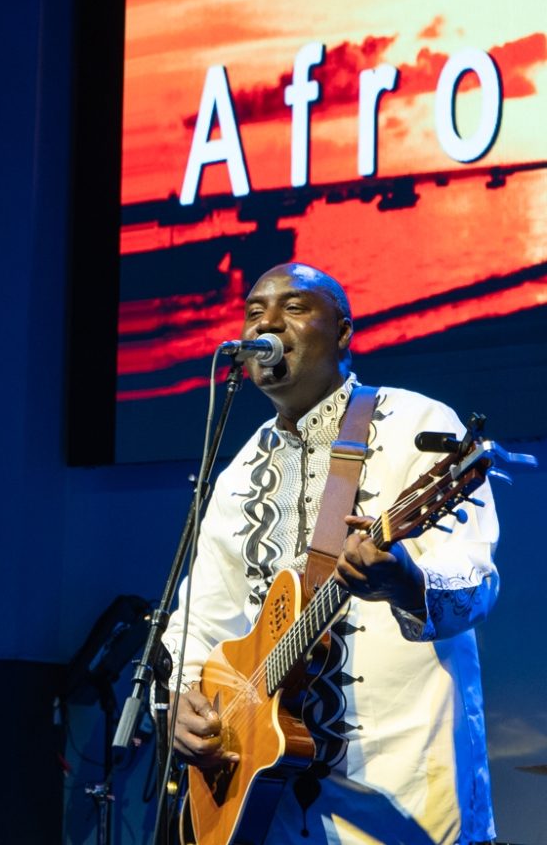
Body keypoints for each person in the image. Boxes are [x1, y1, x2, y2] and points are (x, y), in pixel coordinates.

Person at [164, 263, 498, 844]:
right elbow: (203, 617)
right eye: (254, 312)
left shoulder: (417, 423)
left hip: (407, 785)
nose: (267, 323)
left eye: (293, 308)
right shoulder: (239, 471)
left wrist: (405, 583)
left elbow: (476, 578)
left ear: (343, 333)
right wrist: (182, 701)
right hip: (270, 799)